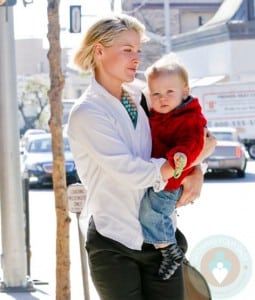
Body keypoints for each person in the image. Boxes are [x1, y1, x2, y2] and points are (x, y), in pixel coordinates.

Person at [67, 14, 216, 300]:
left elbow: (196, 133)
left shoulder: (143, 94)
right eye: (127, 50)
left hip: (161, 241)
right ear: (99, 51)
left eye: (138, 50)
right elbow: (132, 172)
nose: (137, 58)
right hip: (114, 244)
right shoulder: (88, 112)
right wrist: (188, 165)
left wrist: (197, 171)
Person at [139, 54, 207, 281]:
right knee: (152, 212)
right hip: (160, 175)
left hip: (173, 178)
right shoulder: (158, 114)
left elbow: (195, 142)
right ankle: (170, 246)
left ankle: (170, 251)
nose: (162, 99)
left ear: (185, 92)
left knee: (152, 213)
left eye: (170, 92)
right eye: (156, 94)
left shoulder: (189, 117)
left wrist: (181, 157)